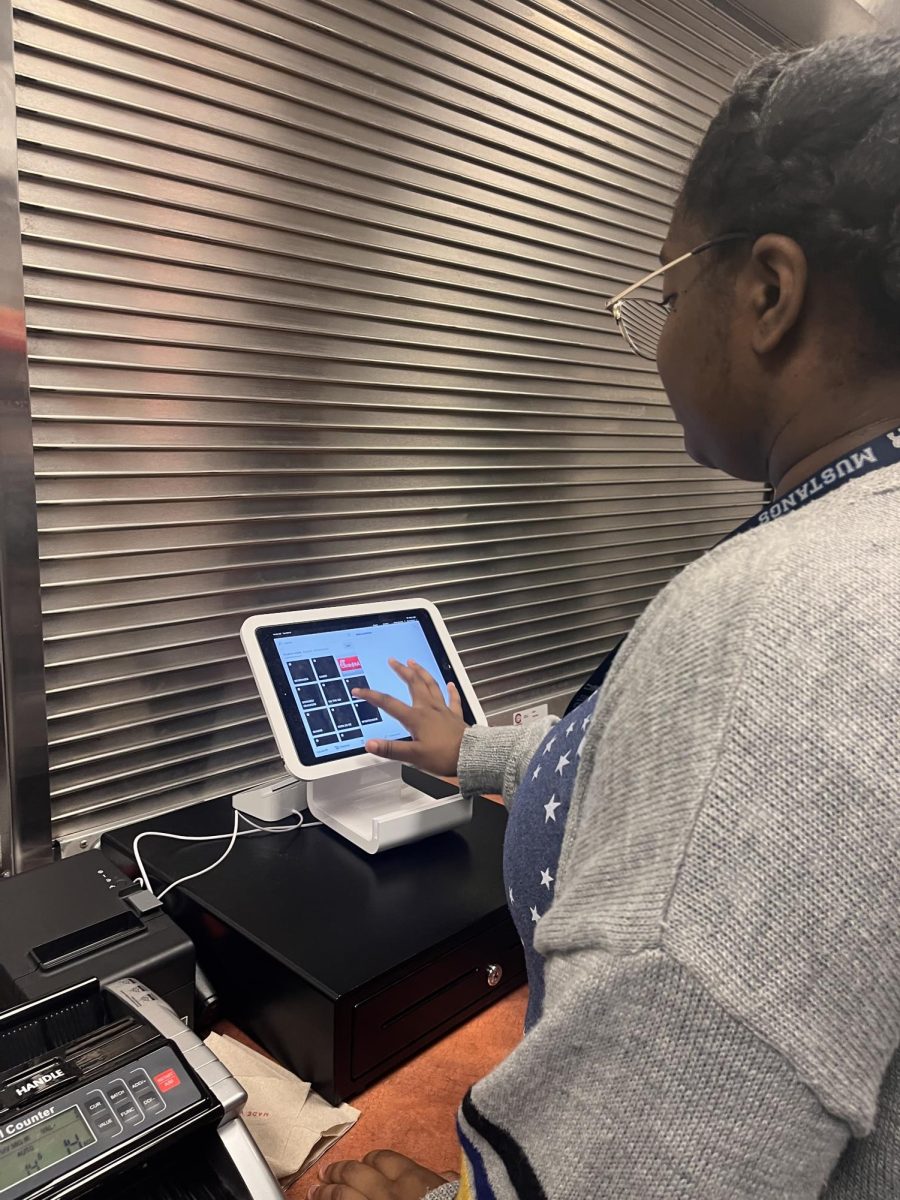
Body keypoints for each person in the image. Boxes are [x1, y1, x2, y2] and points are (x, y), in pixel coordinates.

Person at [308, 34, 900, 1200]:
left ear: (767, 295)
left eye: (667, 293)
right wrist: (471, 751)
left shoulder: (777, 628)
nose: (659, 341)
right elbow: (670, 765)